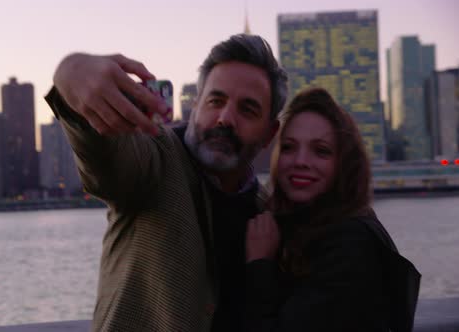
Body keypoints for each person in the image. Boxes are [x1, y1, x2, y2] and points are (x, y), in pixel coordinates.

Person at [44, 34, 288, 331]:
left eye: (247, 109)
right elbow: (105, 160)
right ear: (196, 105)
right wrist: (73, 72)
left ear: (269, 133)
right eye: (216, 101)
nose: (225, 118)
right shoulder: (156, 160)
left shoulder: (267, 216)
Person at [244, 87, 421, 332]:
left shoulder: (350, 244)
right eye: (288, 147)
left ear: (344, 164)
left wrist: (259, 265)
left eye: (321, 151)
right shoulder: (302, 225)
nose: (301, 161)